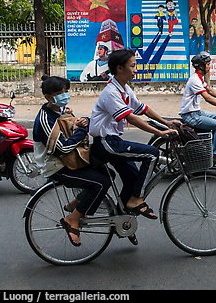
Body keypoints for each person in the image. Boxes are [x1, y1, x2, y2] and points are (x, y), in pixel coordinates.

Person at [89, 49, 179, 221]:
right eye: (133, 66)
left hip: (114, 141)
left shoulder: (124, 89)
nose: (135, 69)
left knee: (132, 179)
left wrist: (167, 122)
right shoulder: (111, 93)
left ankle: (121, 219)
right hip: (106, 143)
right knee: (152, 154)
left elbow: (142, 109)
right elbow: (131, 117)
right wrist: (159, 132)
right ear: (120, 68)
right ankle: (136, 200)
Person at [32, 75, 113, 246]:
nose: (64, 95)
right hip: (57, 166)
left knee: (108, 173)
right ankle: (73, 219)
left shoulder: (60, 110)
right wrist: (82, 131)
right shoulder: (45, 120)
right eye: (59, 93)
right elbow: (62, 148)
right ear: (48, 97)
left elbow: (74, 126)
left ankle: (77, 203)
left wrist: (84, 121)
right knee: (100, 183)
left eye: (66, 91)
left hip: (70, 160)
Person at [179, 51, 216, 166]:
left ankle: (210, 144)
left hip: (196, 112)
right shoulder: (195, 80)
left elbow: (209, 90)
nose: (209, 66)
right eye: (208, 64)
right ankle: (215, 155)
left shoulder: (199, 78)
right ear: (201, 66)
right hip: (190, 116)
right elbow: (208, 98)